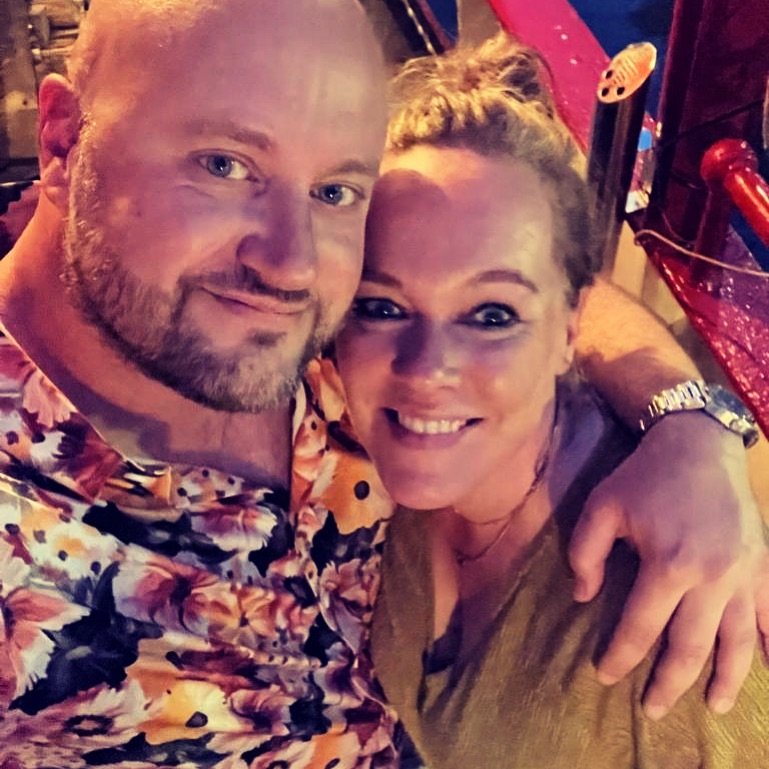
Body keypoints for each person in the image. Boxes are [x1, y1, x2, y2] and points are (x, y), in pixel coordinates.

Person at [0, 1, 764, 766]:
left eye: (335, 190)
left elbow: (516, 275)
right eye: (223, 164)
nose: (293, 267)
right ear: (64, 141)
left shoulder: (312, 315)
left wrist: (689, 423)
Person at [334, 34, 769, 768]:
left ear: (568, 332)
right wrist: (692, 423)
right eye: (381, 306)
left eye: (491, 315)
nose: (426, 368)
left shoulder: (685, 633)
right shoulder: (363, 450)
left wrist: (703, 424)